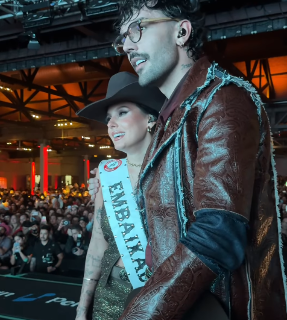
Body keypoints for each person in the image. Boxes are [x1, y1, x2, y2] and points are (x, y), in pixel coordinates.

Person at [88, 1, 287, 319]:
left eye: (137, 29)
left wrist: (141, 313)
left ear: (182, 31)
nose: (126, 45)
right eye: (123, 37)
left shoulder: (221, 100)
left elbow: (217, 234)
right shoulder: (172, 119)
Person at [75, 72, 165, 320]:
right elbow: (97, 244)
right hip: (108, 295)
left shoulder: (174, 171)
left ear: (150, 118)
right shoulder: (106, 175)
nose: (111, 124)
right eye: (108, 118)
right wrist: (82, 310)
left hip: (160, 298)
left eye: (122, 112)